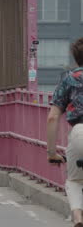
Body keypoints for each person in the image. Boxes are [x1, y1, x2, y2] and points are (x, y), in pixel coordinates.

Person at [45, 37, 83, 227]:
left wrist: (52, 153)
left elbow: (52, 117)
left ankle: (77, 216)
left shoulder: (69, 78)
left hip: (80, 133)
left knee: (75, 180)